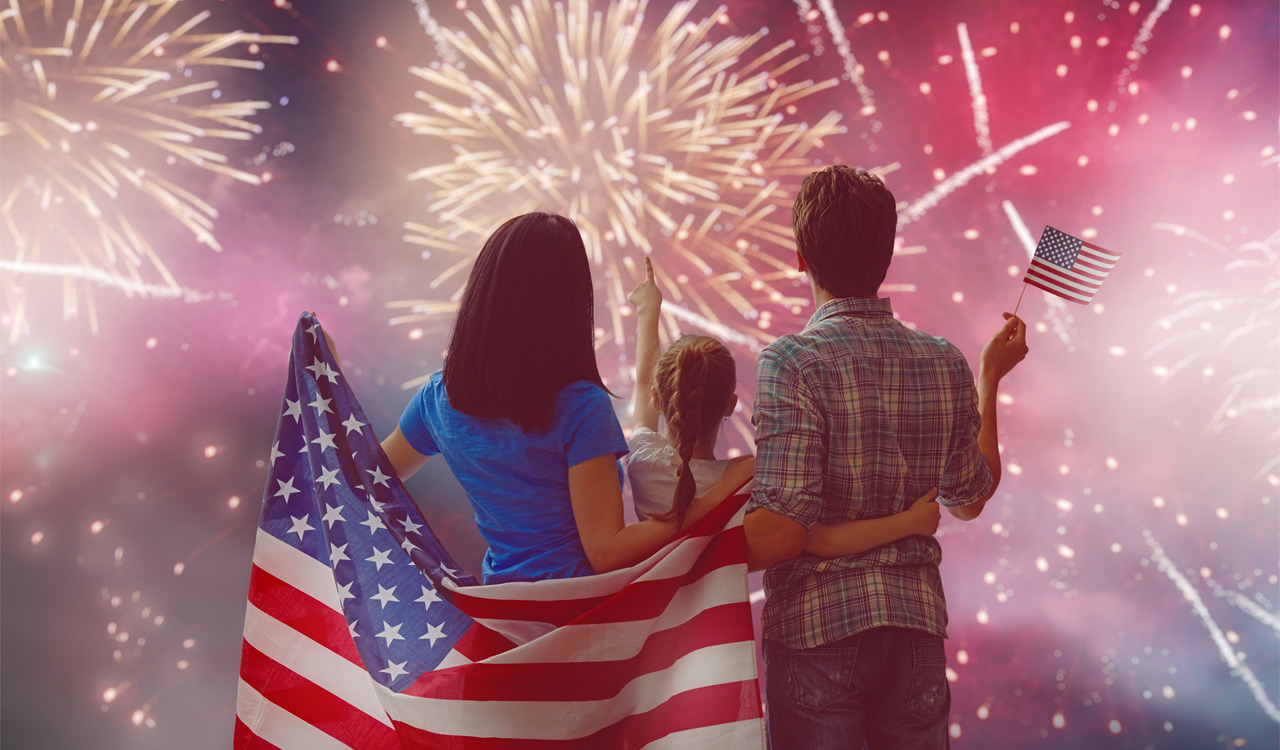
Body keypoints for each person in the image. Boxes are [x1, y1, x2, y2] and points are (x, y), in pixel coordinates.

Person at [748, 166, 1029, 749]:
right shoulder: (943, 361)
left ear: (800, 258)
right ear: (888, 253)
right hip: (915, 630)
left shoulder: (791, 362)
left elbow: (781, 533)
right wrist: (988, 379)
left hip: (816, 629)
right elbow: (971, 498)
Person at [371, 211, 752, 584]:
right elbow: (607, 552)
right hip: (578, 622)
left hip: (502, 616)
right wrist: (716, 494)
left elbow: (367, 479)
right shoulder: (581, 408)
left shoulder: (436, 400)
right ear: (569, 304)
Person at [624, 257, 942, 558]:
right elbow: (821, 540)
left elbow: (642, 383)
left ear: (657, 397)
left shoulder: (642, 462)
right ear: (730, 406)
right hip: (721, 614)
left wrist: (648, 310)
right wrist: (910, 522)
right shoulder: (749, 485)